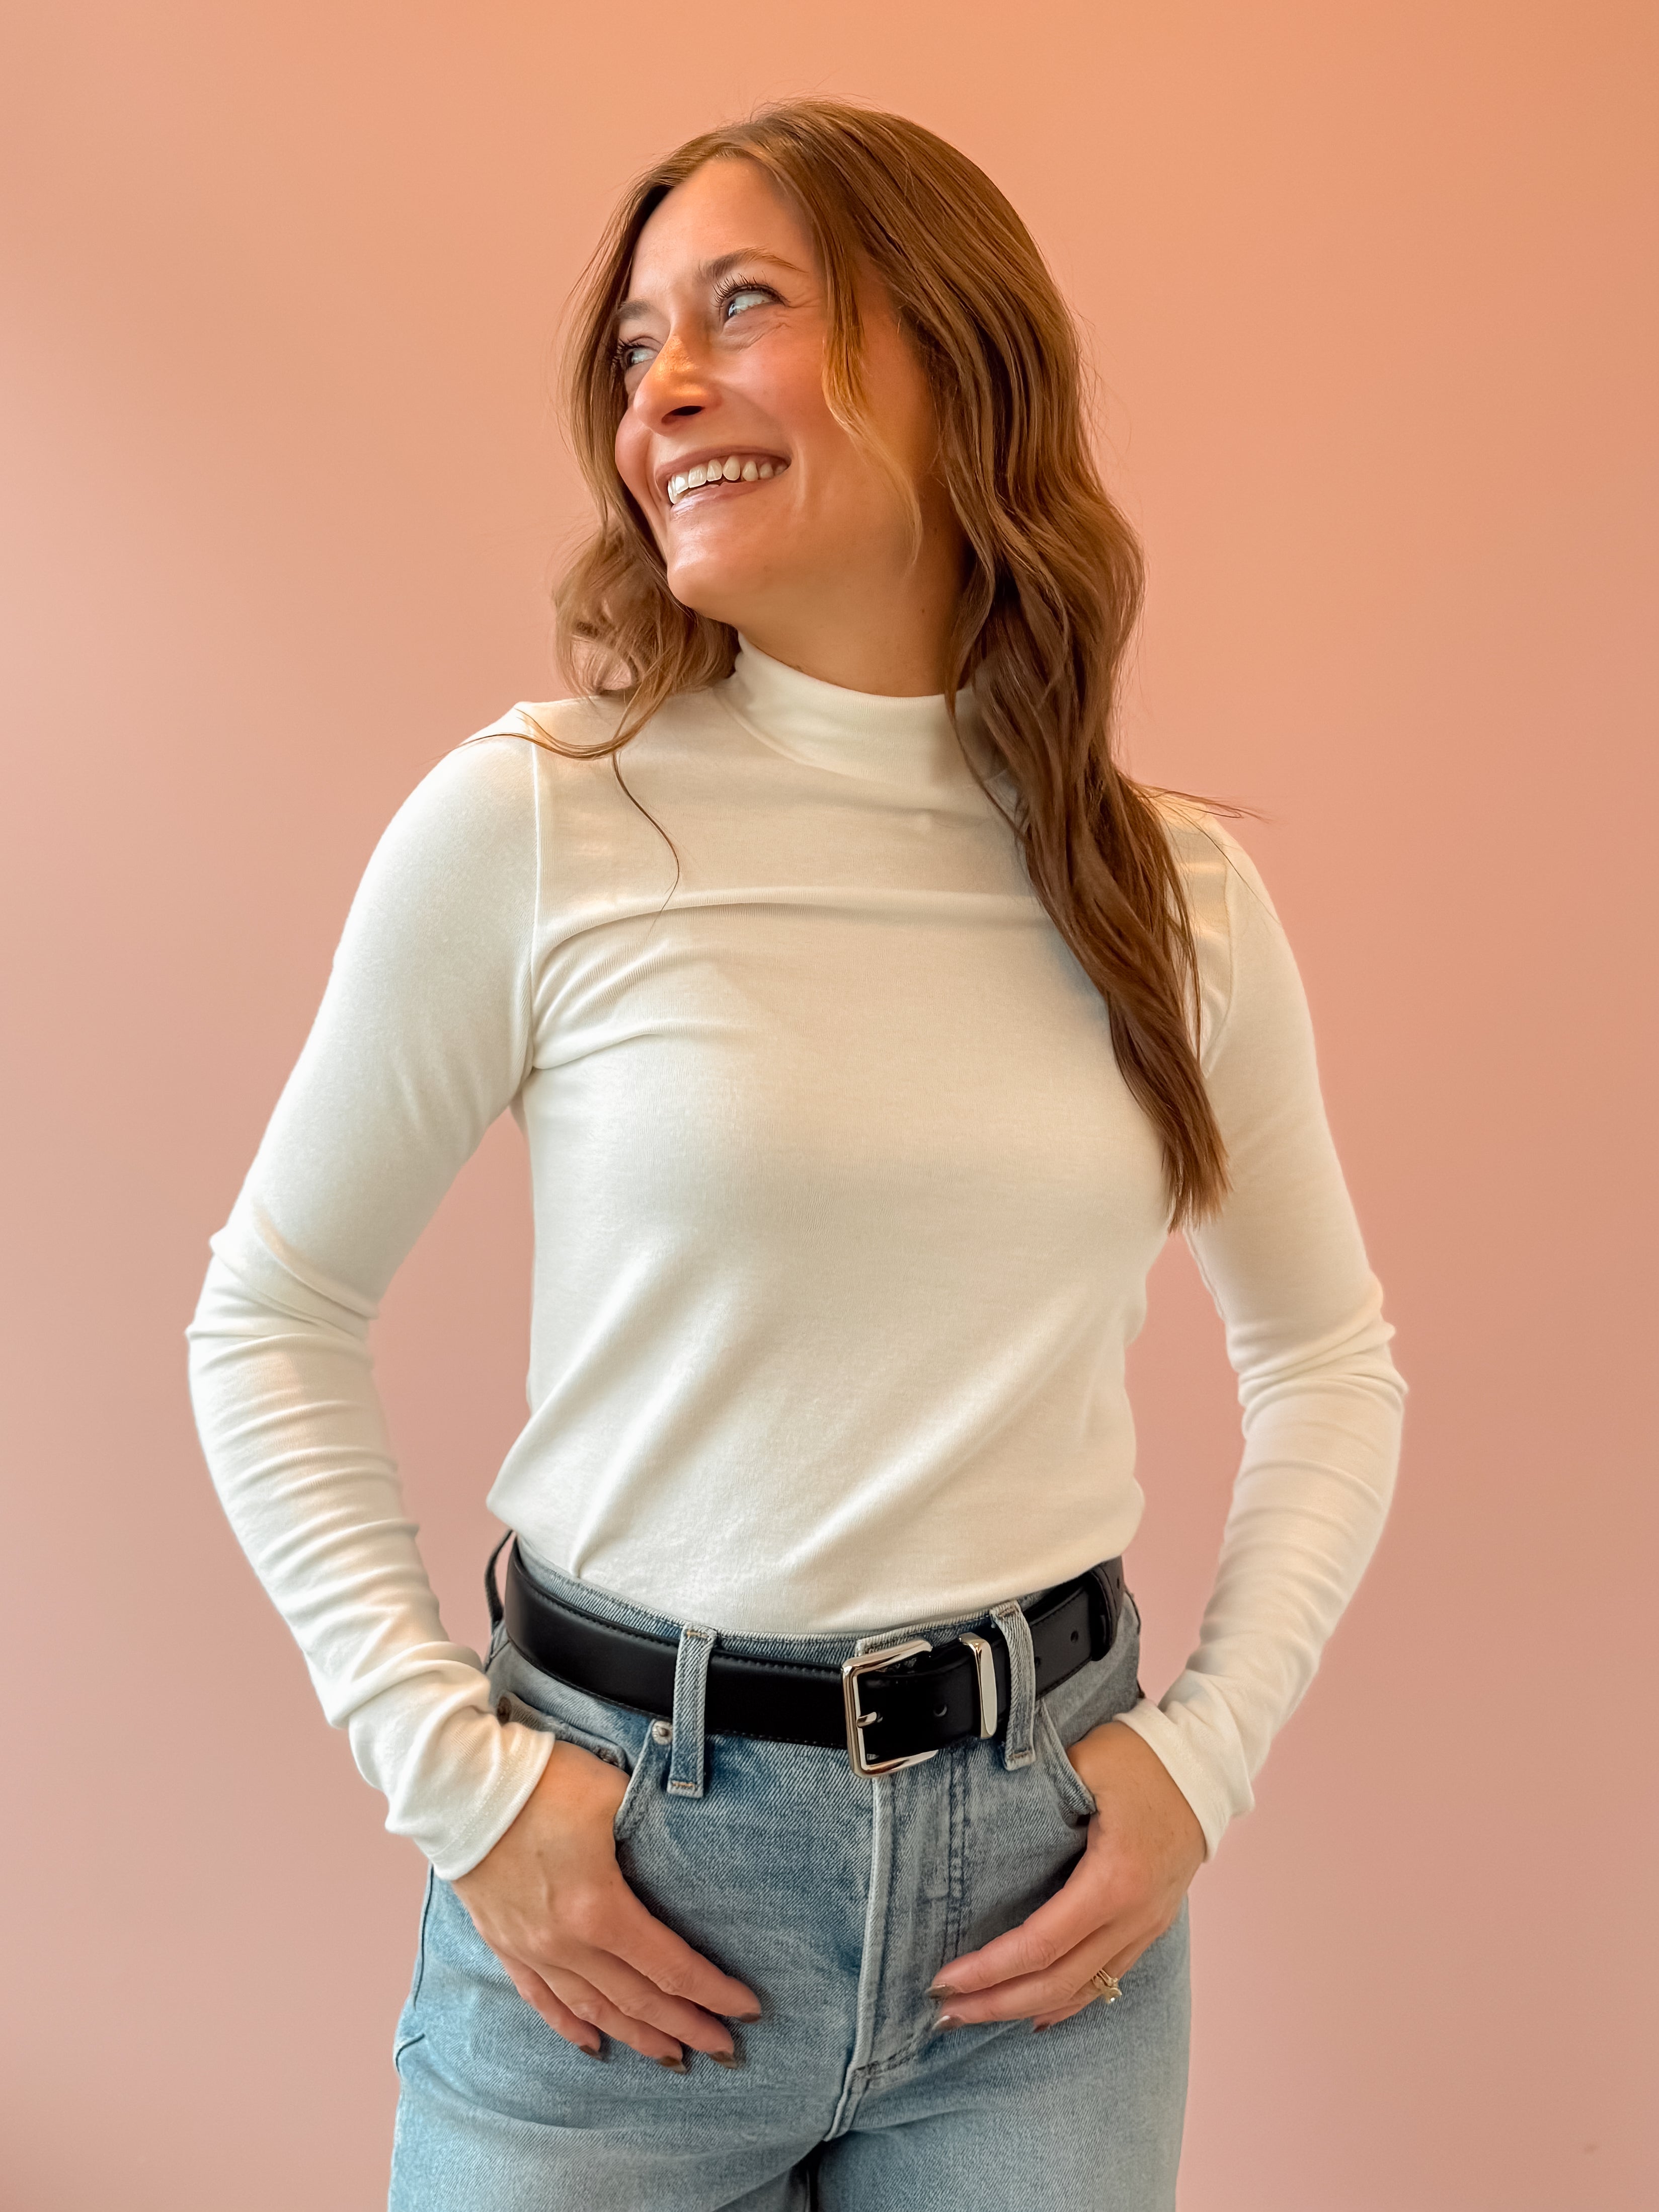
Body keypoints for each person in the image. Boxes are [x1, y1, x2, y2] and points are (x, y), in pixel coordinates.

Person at [187, 98, 1405, 2211]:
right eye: (633, 345)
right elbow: (269, 1317)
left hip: (1045, 1919)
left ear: (958, 356)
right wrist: (461, 1791)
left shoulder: (1169, 893)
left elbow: (1331, 1361)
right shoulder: (545, 816)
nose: (658, 391)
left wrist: (1201, 1763)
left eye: (740, 307)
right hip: (619, 1905)